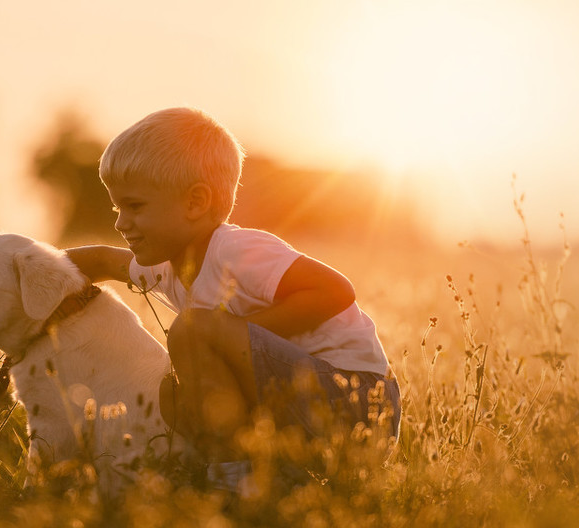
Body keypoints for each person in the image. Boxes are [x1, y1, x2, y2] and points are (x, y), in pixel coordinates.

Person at [65, 107, 400, 492]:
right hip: (305, 409)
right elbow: (103, 260)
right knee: (172, 395)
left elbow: (336, 290)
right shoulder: (165, 265)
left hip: (358, 404)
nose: (121, 222)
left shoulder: (237, 251)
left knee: (193, 332)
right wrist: (28, 270)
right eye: (116, 207)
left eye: (135, 206)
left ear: (195, 203)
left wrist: (236, 335)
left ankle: (233, 485)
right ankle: (267, 478)